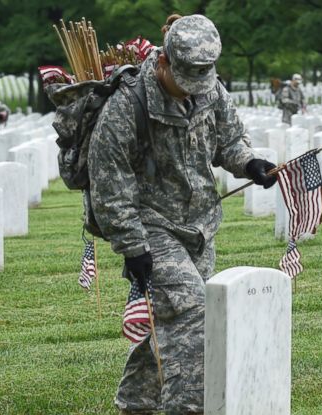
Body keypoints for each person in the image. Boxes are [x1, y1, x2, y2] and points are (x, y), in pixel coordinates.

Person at [88, 14, 277, 414]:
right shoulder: (127, 105)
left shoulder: (211, 90)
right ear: (163, 62)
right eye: (184, 79)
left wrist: (249, 164)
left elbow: (229, 140)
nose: (193, 89)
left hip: (200, 225)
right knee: (193, 314)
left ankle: (135, 402)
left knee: (173, 317)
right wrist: (132, 244)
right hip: (152, 227)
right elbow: (110, 183)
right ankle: (187, 406)